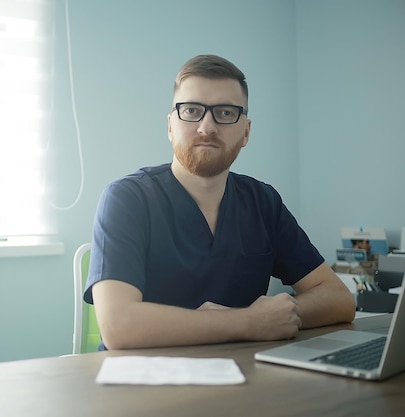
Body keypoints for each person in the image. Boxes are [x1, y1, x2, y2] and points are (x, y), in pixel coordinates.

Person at [84, 54, 356, 350]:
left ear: (246, 132)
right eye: (191, 110)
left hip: (242, 376)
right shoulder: (127, 199)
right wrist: (249, 322)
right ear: (171, 126)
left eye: (225, 113)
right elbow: (118, 326)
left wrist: (276, 316)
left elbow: (338, 298)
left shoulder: (262, 202)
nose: (207, 127)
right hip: (140, 383)